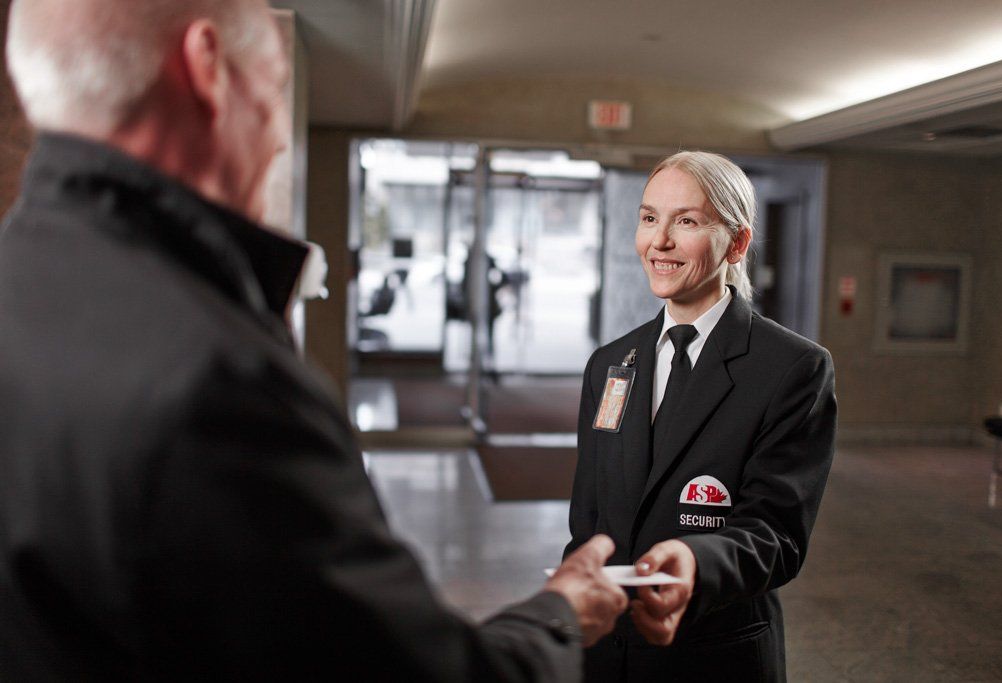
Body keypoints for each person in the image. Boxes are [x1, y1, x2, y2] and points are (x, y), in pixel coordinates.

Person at [0, 1, 628, 679]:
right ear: (208, 70)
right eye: (272, 89)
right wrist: (559, 613)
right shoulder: (219, 381)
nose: (275, 139)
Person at [565, 151, 837, 681]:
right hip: (608, 653)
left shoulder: (794, 368)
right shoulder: (610, 365)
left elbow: (775, 535)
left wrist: (694, 564)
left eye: (685, 221)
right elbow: (589, 516)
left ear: (736, 242)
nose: (658, 242)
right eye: (649, 218)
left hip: (714, 652)